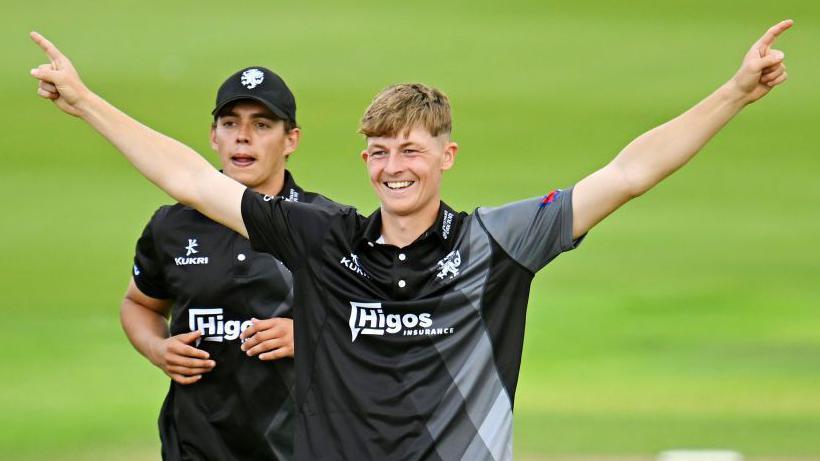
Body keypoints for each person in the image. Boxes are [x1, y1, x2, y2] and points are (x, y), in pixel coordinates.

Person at [30, 19, 791, 460]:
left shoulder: (499, 242)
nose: (396, 167)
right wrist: (87, 102)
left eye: (413, 149)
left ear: (446, 156)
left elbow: (627, 173)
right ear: (365, 160)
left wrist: (733, 94)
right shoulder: (324, 239)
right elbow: (192, 181)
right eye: (382, 151)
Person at [119, 66, 342, 460]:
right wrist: (157, 348)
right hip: (195, 447)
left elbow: (381, 328)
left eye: (261, 124)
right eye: (230, 123)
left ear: (291, 140)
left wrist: (307, 337)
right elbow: (139, 304)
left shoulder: (326, 225)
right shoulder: (172, 226)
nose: (243, 135)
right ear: (213, 136)